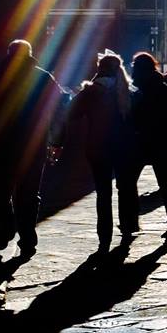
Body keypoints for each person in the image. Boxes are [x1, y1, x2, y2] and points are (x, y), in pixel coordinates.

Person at [0, 39, 65, 257]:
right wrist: (57, 141)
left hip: (1, 146)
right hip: (32, 146)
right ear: (29, 54)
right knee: (29, 193)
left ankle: (4, 229)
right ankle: (27, 237)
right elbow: (58, 110)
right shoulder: (43, 77)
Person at [65, 50, 138, 252]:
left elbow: (71, 114)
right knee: (125, 188)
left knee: (103, 193)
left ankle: (104, 236)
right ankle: (128, 226)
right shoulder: (129, 92)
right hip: (124, 147)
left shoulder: (90, 92)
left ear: (99, 70)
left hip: (97, 147)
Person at [129, 52, 167, 238]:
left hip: (141, 140)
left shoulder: (137, 89)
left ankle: (131, 221)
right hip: (161, 140)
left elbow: (135, 114)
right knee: (166, 184)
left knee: (129, 181)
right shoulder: (163, 86)